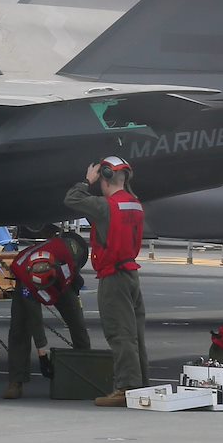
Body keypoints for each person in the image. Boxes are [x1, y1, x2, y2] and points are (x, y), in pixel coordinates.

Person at [64, 155, 147, 407]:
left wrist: (86, 181)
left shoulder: (106, 206)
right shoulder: (135, 204)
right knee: (135, 334)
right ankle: (141, 385)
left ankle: (126, 388)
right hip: (131, 274)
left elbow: (71, 199)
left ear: (106, 177)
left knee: (119, 333)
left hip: (114, 277)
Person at [2, 227, 92, 400]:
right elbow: (35, 320)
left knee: (77, 322)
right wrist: (42, 356)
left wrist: (74, 288)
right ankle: (16, 380)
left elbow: (73, 276)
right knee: (19, 328)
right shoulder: (24, 278)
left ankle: (85, 371)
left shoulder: (67, 260)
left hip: (60, 278)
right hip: (29, 280)